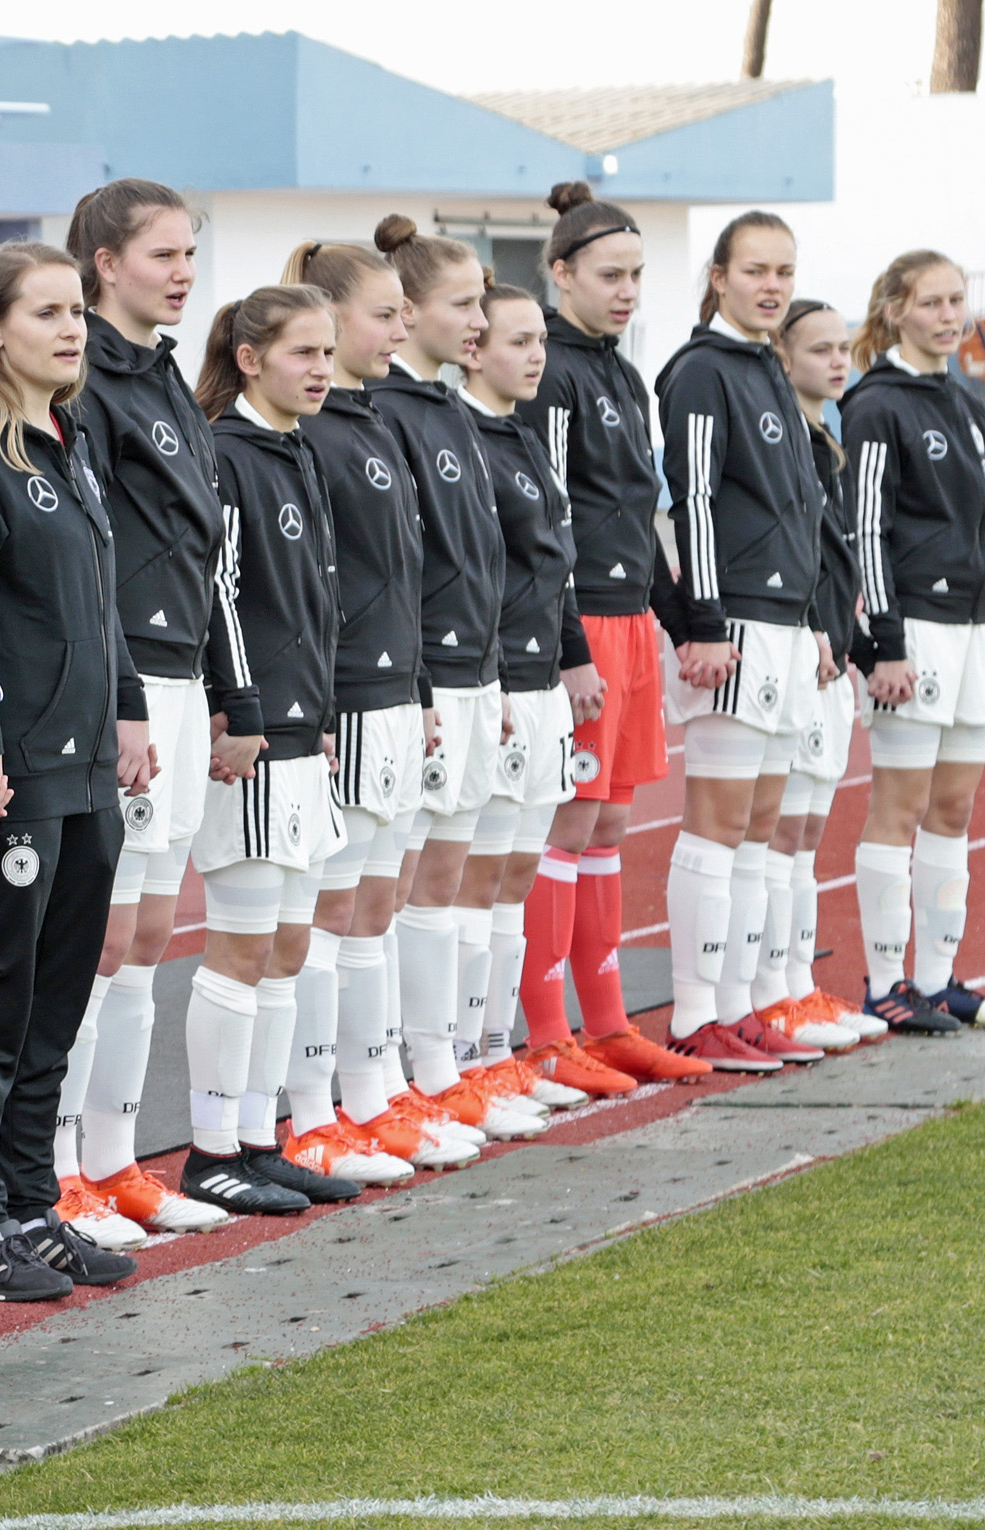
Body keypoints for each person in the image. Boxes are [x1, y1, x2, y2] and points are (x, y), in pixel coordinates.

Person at [0, 240, 151, 1299]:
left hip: (84, 775)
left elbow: (99, 608)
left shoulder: (68, 443)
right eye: (45, 313)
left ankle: (31, 1203)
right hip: (14, 774)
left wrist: (126, 712)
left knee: (54, 1002)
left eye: (75, 311)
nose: (70, 330)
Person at [50, 180, 228, 1244]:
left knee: (150, 938)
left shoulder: (163, 376)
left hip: (182, 680)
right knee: (99, 943)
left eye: (187, 254)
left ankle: (114, 1162)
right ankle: (57, 1169)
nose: (180, 271)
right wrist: (120, 689)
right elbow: (92, 550)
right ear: (103, 262)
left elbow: (212, 551)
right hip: (122, 686)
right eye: (160, 254)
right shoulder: (90, 385)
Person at [510, 183, 709, 1090]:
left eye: (637, 275)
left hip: (630, 620)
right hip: (581, 622)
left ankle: (609, 1022)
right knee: (571, 818)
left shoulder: (626, 373)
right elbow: (543, 514)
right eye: (609, 275)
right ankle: (548, 1031)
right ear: (561, 274)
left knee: (613, 822)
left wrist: (682, 623)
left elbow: (642, 514)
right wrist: (567, 649)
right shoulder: (549, 373)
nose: (627, 291)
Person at [177, 282, 364, 1216]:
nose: (322, 370)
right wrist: (243, 707)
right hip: (251, 739)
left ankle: (259, 1136)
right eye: (304, 354)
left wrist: (319, 711)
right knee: (241, 949)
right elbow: (220, 593)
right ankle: (210, 1148)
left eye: (329, 354)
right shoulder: (225, 454)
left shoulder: (299, 452)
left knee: (290, 946)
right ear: (250, 359)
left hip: (301, 735)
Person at [362, 216, 536, 1149]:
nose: (478, 320)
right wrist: (430, 678)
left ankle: (451, 1063)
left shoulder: (449, 411)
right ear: (410, 310)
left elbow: (478, 559)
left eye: (482, 302)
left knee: (454, 882)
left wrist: (493, 669)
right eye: (462, 304)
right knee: (406, 890)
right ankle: (404, 1074)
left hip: (472, 676)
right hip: (414, 688)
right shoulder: (389, 410)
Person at [280, 238, 450, 1180]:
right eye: (384, 315)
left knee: (377, 906)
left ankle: (372, 1093)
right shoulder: (311, 434)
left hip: (393, 696)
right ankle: (315, 1110)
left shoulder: (377, 422)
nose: (401, 328)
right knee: (329, 911)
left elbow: (405, 574)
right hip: (339, 702)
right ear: (334, 320)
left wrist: (416, 686)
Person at [654, 210, 831, 1073]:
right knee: (717, 827)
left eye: (784, 272)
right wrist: (708, 623)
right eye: (756, 269)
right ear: (719, 276)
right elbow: (690, 498)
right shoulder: (698, 373)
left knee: (759, 829)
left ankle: (742, 1005)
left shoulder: (767, 367)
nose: (772, 286)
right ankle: (695, 1012)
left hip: (785, 628)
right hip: (736, 630)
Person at [845, 250, 985, 1033]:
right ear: (895, 310)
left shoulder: (965, 400)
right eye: (933, 302)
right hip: (915, 628)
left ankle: (938, 977)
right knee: (902, 804)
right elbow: (866, 529)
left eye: (958, 300)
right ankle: (886, 983)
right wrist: (885, 642)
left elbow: (983, 528)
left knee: (952, 808)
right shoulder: (875, 405)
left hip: (975, 631)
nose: (951, 315)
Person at [454, 284, 608, 1111]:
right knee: (468, 884)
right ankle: (453, 1063)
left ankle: (492, 1051)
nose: (537, 355)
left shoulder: (523, 436)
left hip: (541, 679)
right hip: (496, 683)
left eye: (541, 340)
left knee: (512, 880)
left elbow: (556, 565)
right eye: (518, 341)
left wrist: (570, 656)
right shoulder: (462, 440)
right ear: (473, 347)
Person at [767, 299, 883, 1046]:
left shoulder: (824, 440)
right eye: (820, 350)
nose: (839, 362)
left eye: (843, 348)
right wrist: (813, 628)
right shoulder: (789, 446)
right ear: (784, 357)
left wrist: (860, 649)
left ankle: (798, 983)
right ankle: (771, 990)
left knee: (806, 836)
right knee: (780, 834)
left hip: (832, 661)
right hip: (798, 657)